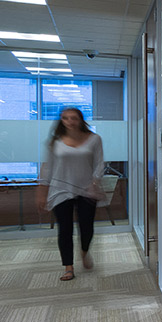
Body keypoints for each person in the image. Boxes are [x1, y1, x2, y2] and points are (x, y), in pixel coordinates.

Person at [36, 107, 105, 282]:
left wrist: (95, 182)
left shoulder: (94, 139)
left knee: (86, 227)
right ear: (61, 121)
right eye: (65, 118)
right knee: (64, 229)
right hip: (60, 190)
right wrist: (42, 191)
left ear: (81, 120)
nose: (69, 121)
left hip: (87, 190)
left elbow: (99, 164)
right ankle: (68, 267)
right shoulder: (55, 142)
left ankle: (84, 251)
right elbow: (48, 167)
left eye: (73, 118)